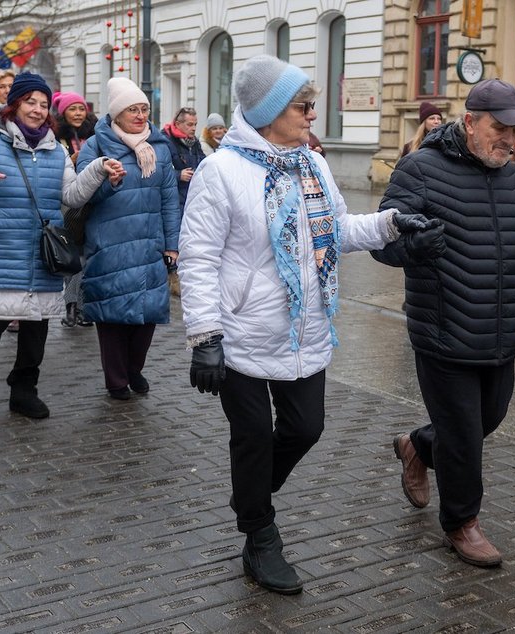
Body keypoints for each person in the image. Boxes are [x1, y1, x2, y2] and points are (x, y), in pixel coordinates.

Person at [179, 54, 420, 595]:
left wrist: (391, 223)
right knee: (253, 437)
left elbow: (337, 229)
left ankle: (250, 500)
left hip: (303, 325)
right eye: (302, 106)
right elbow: (197, 258)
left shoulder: (310, 163)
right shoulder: (222, 170)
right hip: (238, 333)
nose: (313, 115)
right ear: (267, 111)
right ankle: (261, 536)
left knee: (305, 428)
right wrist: (205, 338)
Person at [373, 78, 515, 568]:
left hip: (498, 333)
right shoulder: (420, 168)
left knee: (485, 420)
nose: (510, 141)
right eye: (500, 128)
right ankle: (461, 523)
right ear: (470, 122)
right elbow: (382, 241)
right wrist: (413, 246)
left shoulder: (513, 174)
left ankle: (415, 446)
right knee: (464, 437)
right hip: (444, 328)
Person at [0, 72, 124, 419]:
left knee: (36, 327)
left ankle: (24, 391)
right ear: (15, 104)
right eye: (31, 102)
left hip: (41, 253)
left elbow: (70, 196)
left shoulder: (55, 149)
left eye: (44, 104)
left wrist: (99, 169)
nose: (38, 110)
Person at [75, 77, 180, 400]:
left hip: (149, 243)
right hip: (110, 242)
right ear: (116, 114)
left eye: (144, 109)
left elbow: (169, 199)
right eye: (132, 109)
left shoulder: (160, 147)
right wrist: (108, 181)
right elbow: (81, 194)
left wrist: (173, 245)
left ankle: (135, 367)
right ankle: (117, 380)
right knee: (112, 317)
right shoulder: (96, 146)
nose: (139, 115)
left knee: (147, 315)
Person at [53, 91, 97, 329]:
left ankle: (80, 306)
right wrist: (73, 159)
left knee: (87, 257)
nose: (78, 113)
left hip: (93, 200)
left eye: (81, 108)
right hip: (68, 202)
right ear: (63, 113)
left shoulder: (96, 133)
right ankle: (73, 307)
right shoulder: (55, 137)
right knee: (74, 258)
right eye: (73, 109)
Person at [162, 106, 205, 211]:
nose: (194, 128)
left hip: (192, 198)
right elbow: (158, 170)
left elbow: (204, 162)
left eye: (195, 124)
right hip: (173, 200)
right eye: (189, 125)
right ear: (177, 124)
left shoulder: (194, 142)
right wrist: (178, 175)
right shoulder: (165, 141)